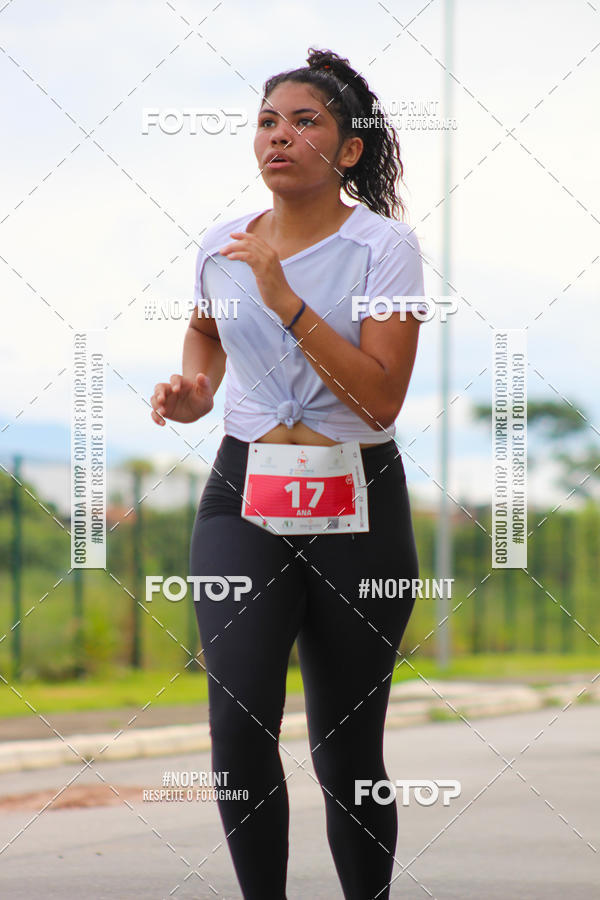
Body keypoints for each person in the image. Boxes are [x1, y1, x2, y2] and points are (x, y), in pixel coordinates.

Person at [151, 47, 427, 900]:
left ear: (348, 149)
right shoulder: (223, 246)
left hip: (358, 499)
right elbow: (205, 330)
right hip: (245, 493)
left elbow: (379, 398)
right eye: (269, 121)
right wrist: (197, 388)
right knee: (236, 726)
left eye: (305, 121)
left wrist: (286, 299)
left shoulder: (385, 249)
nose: (280, 137)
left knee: (346, 748)